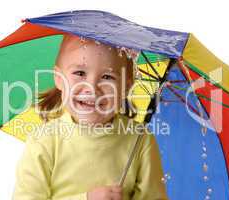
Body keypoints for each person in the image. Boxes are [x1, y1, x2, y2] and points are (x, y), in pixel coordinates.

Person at [13, 33, 168, 200]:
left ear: (126, 87)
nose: (92, 88)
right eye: (80, 73)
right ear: (59, 79)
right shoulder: (44, 140)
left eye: (107, 77)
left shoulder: (140, 139)